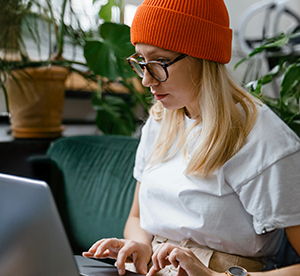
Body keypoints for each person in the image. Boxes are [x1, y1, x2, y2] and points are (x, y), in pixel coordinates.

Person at [83, 0, 300, 275]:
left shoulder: (263, 139)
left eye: (160, 62)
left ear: (202, 55)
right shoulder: (160, 121)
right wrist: (140, 245)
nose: (146, 81)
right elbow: (137, 217)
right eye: (141, 61)